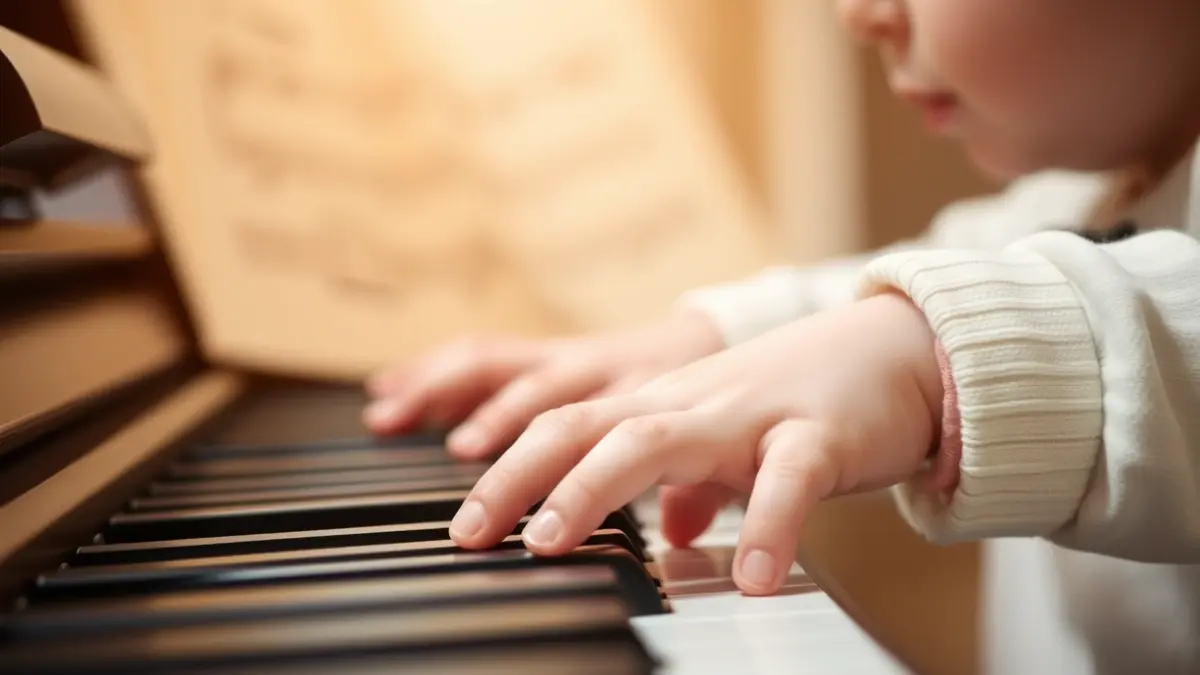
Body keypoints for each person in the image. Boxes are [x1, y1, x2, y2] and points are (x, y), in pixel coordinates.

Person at [365, 1, 1200, 671]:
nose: (858, 14)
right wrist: (711, 340)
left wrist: (929, 360)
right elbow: (956, 267)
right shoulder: (1080, 190)